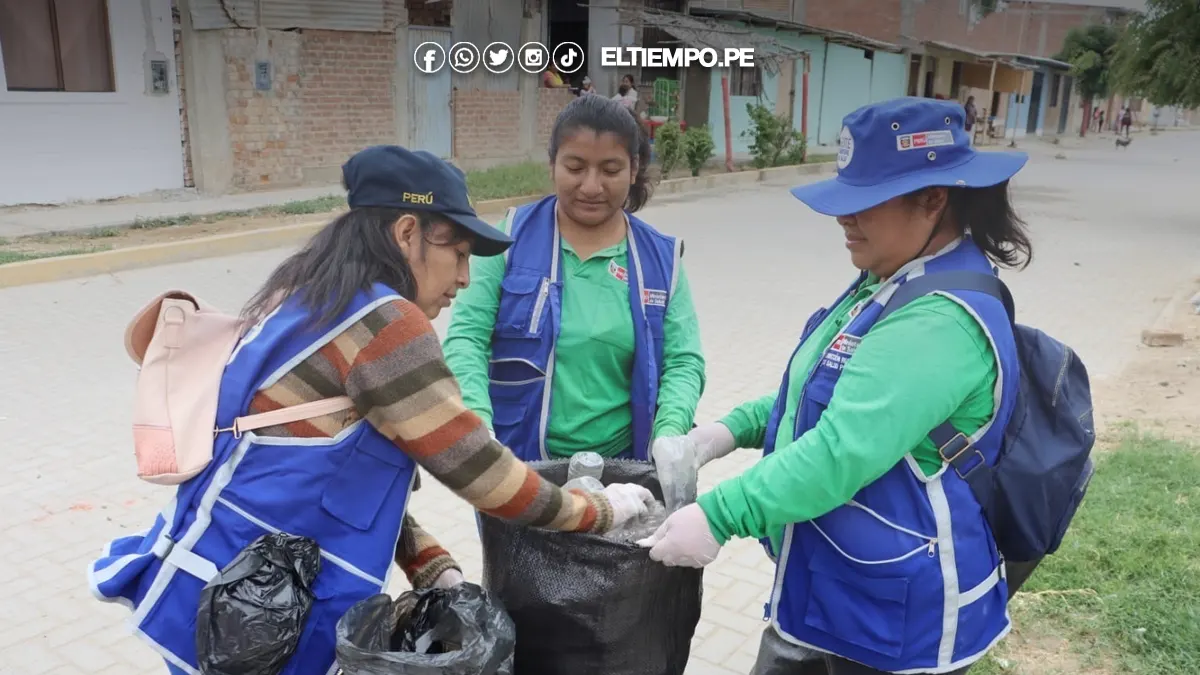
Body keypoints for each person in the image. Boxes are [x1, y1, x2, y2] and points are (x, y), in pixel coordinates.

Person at [88, 145, 657, 675]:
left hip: (218, 592)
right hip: (266, 613)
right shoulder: (386, 324)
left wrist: (431, 566)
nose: (464, 276)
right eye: (457, 252)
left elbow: (331, 480)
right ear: (407, 231)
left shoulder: (310, 299)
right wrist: (598, 511)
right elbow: (484, 475)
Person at [640, 97, 1033, 675]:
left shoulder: (939, 320)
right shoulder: (886, 281)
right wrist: (724, 433)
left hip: (896, 623)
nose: (844, 219)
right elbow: (815, 393)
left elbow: (841, 449)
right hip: (835, 584)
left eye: (865, 203)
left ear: (933, 199)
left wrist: (720, 514)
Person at [442, 94, 705, 464]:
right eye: (576, 167)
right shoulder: (508, 242)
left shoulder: (661, 261)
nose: (592, 186)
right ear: (553, 164)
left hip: (626, 472)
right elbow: (466, 338)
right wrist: (477, 427)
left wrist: (670, 433)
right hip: (518, 469)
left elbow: (683, 361)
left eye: (610, 170)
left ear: (633, 169)